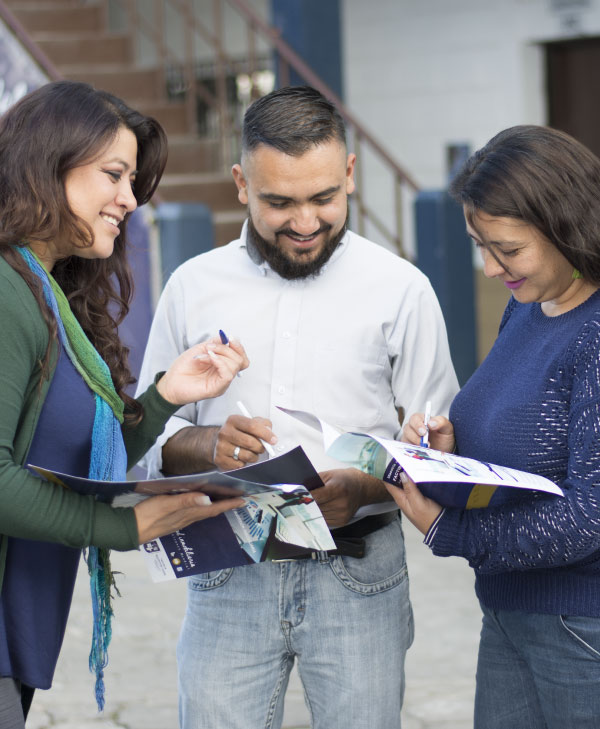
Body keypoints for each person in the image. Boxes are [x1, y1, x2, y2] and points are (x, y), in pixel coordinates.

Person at [137, 85, 458, 729]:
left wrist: (367, 483)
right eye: (279, 202)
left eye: (323, 199)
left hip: (360, 573)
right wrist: (207, 445)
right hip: (228, 569)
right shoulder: (191, 286)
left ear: (349, 175)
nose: (305, 223)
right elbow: (149, 434)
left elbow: (436, 444)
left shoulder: (402, 290)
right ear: (240, 184)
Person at [0, 80, 249, 729]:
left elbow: (83, 456)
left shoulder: (40, 285)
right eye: (114, 174)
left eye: (133, 180)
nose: (130, 199)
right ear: (47, 164)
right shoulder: (5, 289)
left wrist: (167, 397)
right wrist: (128, 528)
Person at [390, 125, 600, 729]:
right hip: (511, 615)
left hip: (581, 631)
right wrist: (450, 453)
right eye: (480, 245)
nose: (488, 268)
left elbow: (588, 517)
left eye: (506, 249)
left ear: (567, 225)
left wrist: (448, 530)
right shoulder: (529, 304)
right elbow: (526, 434)